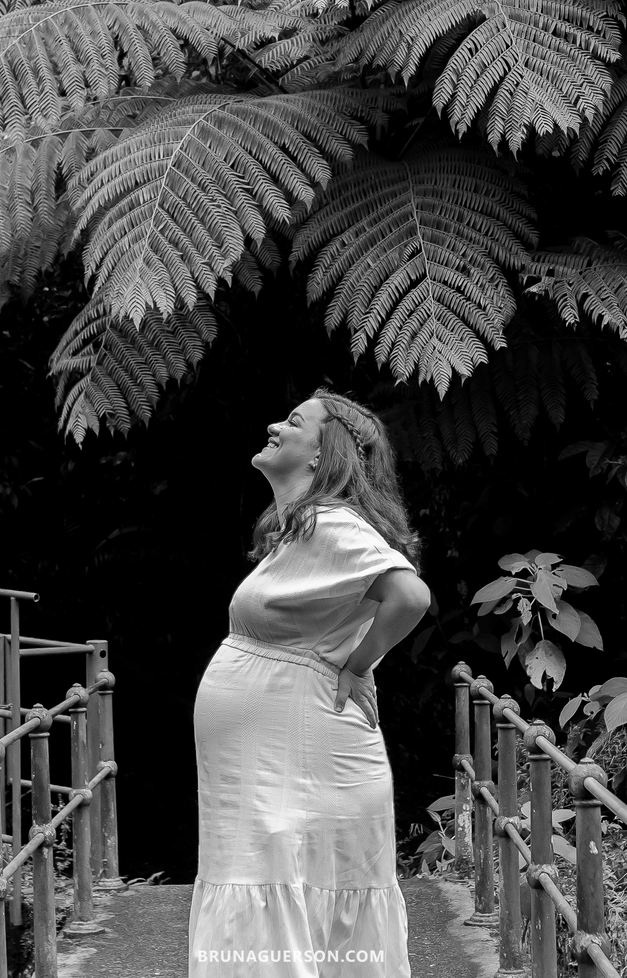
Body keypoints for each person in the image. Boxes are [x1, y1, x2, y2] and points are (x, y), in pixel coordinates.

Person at [188, 387, 431, 978]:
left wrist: (356, 663)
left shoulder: (328, 521)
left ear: (326, 452)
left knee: (276, 883)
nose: (275, 424)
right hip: (279, 756)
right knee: (286, 887)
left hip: (292, 753)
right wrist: (353, 659)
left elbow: (408, 594)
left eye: (294, 421)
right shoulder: (305, 530)